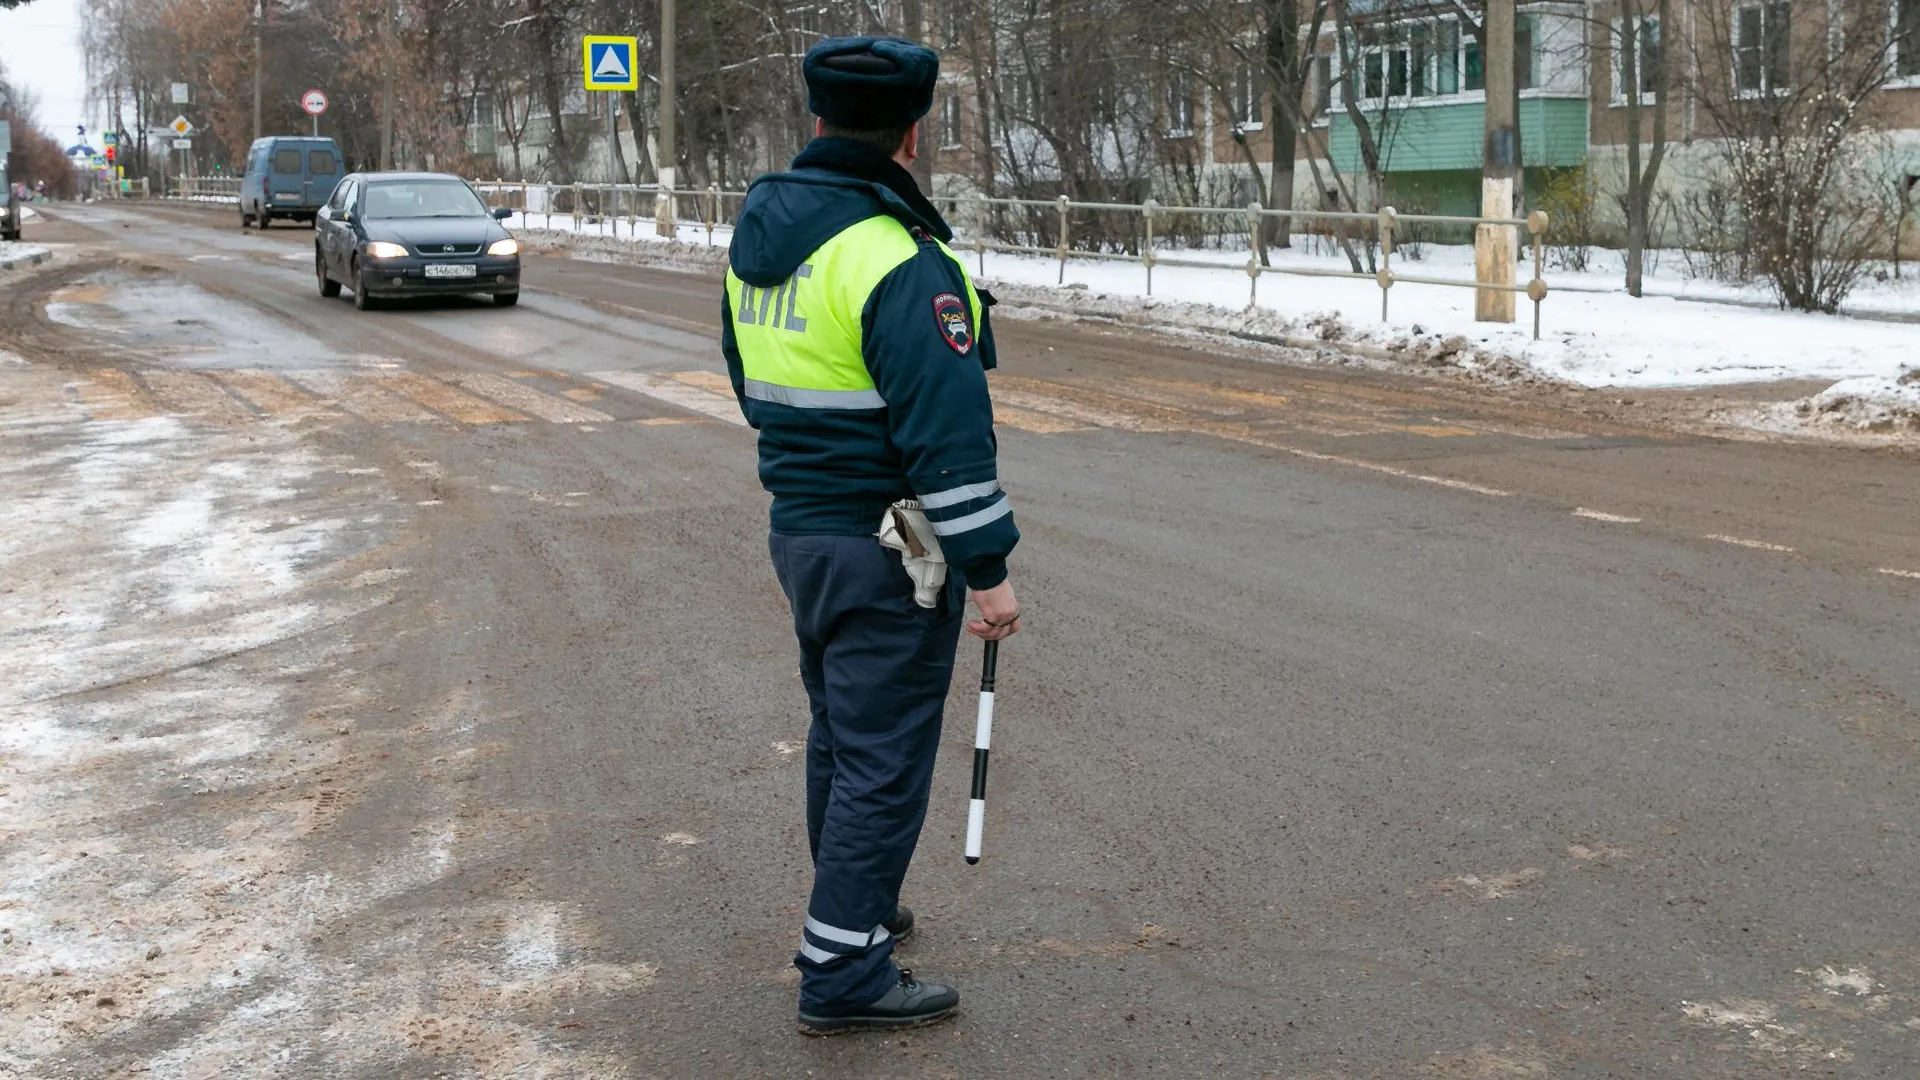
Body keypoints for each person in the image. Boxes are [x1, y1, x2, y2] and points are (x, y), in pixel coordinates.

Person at [721, 35, 1022, 1036]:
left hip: (800, 530)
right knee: (885, 756)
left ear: (816, 122)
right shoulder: (897, 257)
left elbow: (751, 386)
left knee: (842, 738)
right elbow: (947, 438)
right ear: (913, 131)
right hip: (887, 544)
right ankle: (844, 970)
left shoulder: (762, 241)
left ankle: (855, 906)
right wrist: (988, 572)